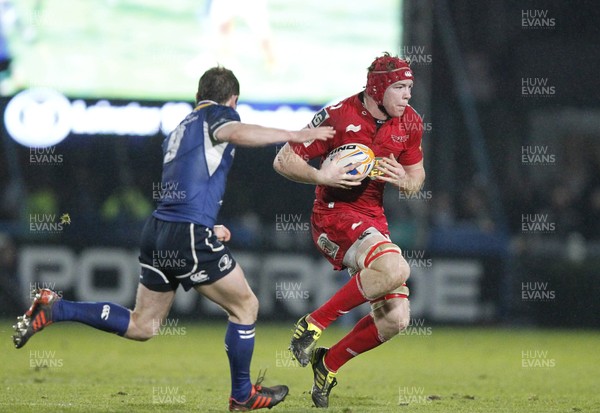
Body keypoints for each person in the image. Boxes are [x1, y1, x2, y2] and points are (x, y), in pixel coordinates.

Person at [13, 66, 334, 412]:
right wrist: (294, 134)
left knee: (144, 324)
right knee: (246, 307)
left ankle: (55, 307)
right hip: (185, 232)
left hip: (160, 229)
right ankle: (242, 395)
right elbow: (236, 131)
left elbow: (188, 185)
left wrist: (207, 227)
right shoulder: (219, 115)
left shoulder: (181, 128)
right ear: (233, 100)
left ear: (197, 96)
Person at [273, 52, 425, 408]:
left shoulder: (411, 122)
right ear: (379, 88)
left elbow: (417, 178)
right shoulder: (337, 116)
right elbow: (283, 158)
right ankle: (313, 323)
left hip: (372, 218)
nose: (408, 95)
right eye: (400, 87)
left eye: (410, 87)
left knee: (396, 321)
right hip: (333, 214)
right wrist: (320, 175)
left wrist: (405, 179)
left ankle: (327, 363)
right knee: (397, 267)